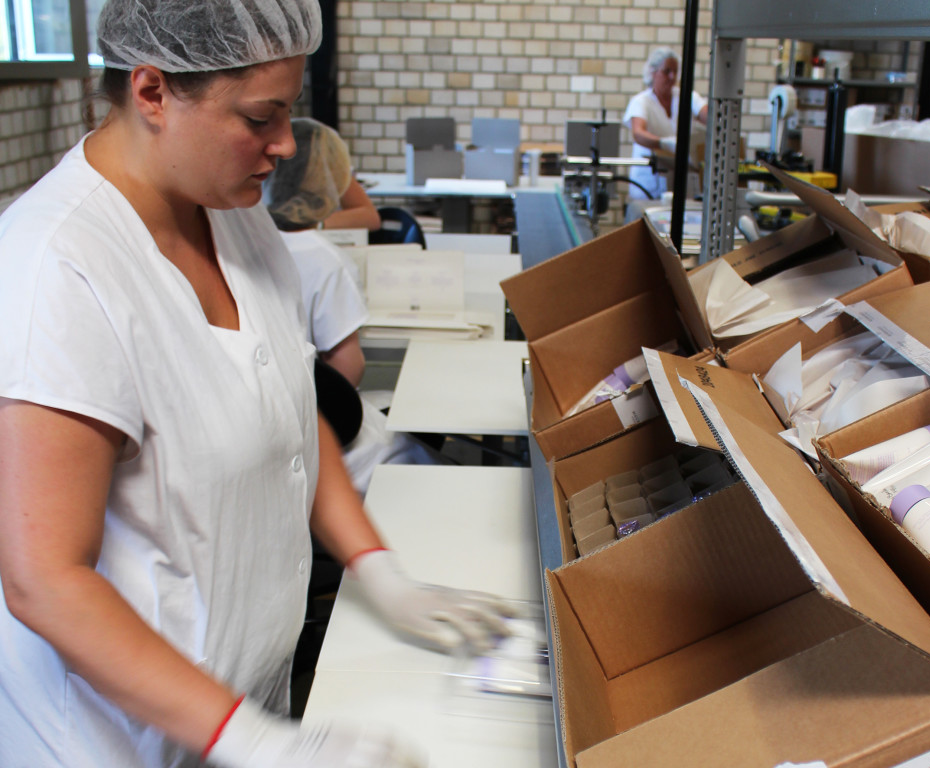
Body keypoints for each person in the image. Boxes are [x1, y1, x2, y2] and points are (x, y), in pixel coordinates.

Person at [0, 2, 512, 767]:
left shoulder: (236, 218)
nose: (286, 145)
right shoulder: (57, 268)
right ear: (152, 92)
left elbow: (290, 416)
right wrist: (249, 739)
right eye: (259, 118)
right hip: (120, 738)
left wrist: (380, 571)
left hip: (240, 703)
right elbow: (45, 580)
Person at [263, 118, 442, 495]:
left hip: (270, 425)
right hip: (325, 436)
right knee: (420, 459)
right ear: (331, 181)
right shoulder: (325, 261)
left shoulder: (246, 244)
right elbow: (347, 369)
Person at [622, 46, 709, 200]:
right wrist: (663, 143)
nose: (672, 76)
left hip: (679, 180)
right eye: (666, 71)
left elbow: (709, 117)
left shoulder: (686, 97)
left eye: (675, 71)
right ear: (653, 72)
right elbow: (638, 133)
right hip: (648, 181)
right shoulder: (641, 102)